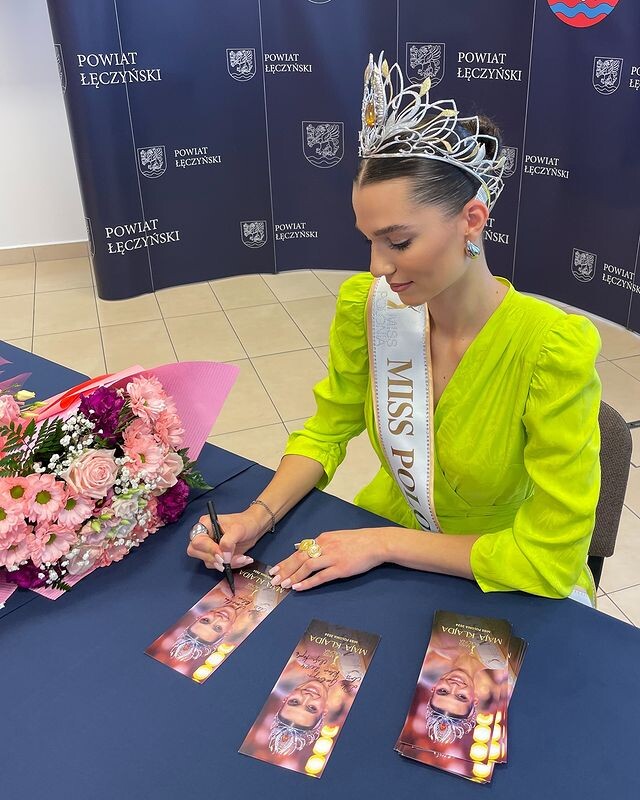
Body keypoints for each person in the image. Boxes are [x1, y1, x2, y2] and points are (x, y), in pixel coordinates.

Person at [188, 52, 602, 607]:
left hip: (499, 568)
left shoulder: (551, 348)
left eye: (399, 242)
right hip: (387, 538)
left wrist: (385, 544)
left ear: (472, 220)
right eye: (370, 240)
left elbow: (551, 557)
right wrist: (257, 517)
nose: (378, 266)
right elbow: (327, 429)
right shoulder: (369, 307)